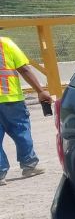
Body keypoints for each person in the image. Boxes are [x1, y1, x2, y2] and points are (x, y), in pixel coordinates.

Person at [0, 33, 52, 184]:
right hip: (11, 99)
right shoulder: (5, 43)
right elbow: (24, 70)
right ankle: (29, 165)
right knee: (21, 131)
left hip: (12, 100)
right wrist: (40, 91)